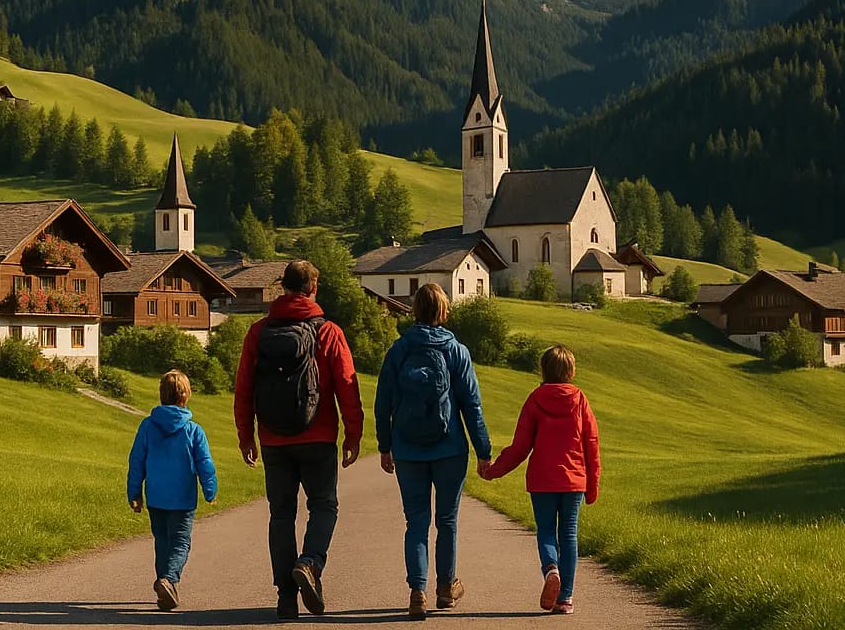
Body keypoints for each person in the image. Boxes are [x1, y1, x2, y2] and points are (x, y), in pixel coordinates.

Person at [233, 259, 364, 621]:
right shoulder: (329, 332)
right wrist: (353, 434)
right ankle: (310, 563)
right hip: (318, 436)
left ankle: (286, 597)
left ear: (282, 287)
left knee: (281, 514)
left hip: (274, 439)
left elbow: (243, 388)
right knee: (324, 506)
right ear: (313, 289)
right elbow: (347, 387)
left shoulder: (258, 332)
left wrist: (246, 435)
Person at [374, 283, 493, 620]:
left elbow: (382, 404)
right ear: (443, 310)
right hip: (450, 449)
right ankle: (445, 588)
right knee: (447, 521)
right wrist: (484, 450)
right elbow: (472, 405)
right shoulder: (457, 351)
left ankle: (417, 591)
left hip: (408, 450)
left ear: (415, 309)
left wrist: (385, 446)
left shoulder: (399, 350)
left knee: (416, 522)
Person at [480, 344, 600, 616]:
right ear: (571, 370)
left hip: (542, 480)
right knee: (568, 535)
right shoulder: (580, 400)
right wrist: (593, 485)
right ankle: (566, 598)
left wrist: (493, 470)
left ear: (543, 369)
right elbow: (591, 444)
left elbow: (520, 446)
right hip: (573, 481)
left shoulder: (535, 399)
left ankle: (551, 568)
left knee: (546, 531)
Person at [127, 369, 219, 612]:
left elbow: (137, 461)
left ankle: (164, 587)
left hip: (156, 497)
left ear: (161, 394)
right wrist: (210, 490)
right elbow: (205, 463)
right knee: (180, 543)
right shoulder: (193, 430)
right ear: (186, 396)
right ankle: (169, 580)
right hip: (183, 499)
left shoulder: (147, 426)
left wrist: (134, 493)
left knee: (163, 542)